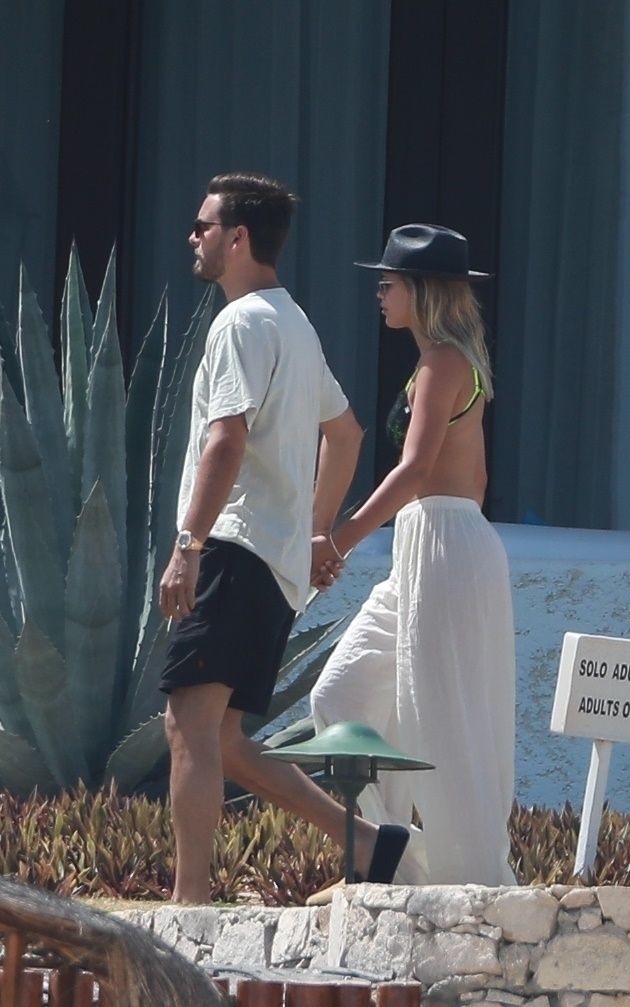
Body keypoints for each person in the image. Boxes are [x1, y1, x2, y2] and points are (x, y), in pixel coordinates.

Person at [158, 173, 409, 904]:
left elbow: (226, 440)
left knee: (188, 725)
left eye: (204, 226)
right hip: (271, 567)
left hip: (232, 552)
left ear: (238, 238)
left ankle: (189, 907)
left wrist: (188, 545)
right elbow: (348, 433)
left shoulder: (240, 323)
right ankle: (366, 841)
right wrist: (314, 534)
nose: (193, 237)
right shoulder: (293, 322)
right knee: (224, 739)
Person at [310, 223, 516, 887]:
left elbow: (416, 469)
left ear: (420, 291)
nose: (379, 293)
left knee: (442, 717)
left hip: (447, 546)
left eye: (388, 282)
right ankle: (398, 859)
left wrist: (339, 538)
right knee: (340, 696)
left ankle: (470, 881)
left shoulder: (444, 364)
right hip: (425, 547)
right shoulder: (436, 362)